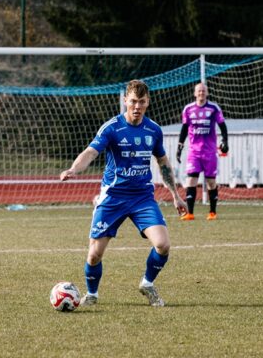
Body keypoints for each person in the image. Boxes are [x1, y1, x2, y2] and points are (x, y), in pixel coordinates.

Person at [60, 79, 187, 307]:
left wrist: (176, 196)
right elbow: (91, 152)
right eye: (133, 101)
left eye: (142, 102)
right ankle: (92, 294)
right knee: (94, 254)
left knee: (163, 245)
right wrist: (73, 169)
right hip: (113, 197)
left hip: (142, 198)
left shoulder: (153, 130)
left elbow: (163, 163)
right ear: (125, 101)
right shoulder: (112, 128)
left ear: (148, 102)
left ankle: (147, 283)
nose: (137, 106)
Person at [175, 82, 228, 221]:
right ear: (194, 93)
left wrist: (225, 141)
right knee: (191, 180)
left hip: (210, 152)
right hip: (194, 152)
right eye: (199, 91)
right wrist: (179, 147)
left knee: (211, 182)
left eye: (203, 91)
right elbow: (184, 129)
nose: (201, 93)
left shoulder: (214, 108)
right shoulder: (188, 109)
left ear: (207, 93)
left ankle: (212, 212)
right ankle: (190, 213)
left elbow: (222, 126)